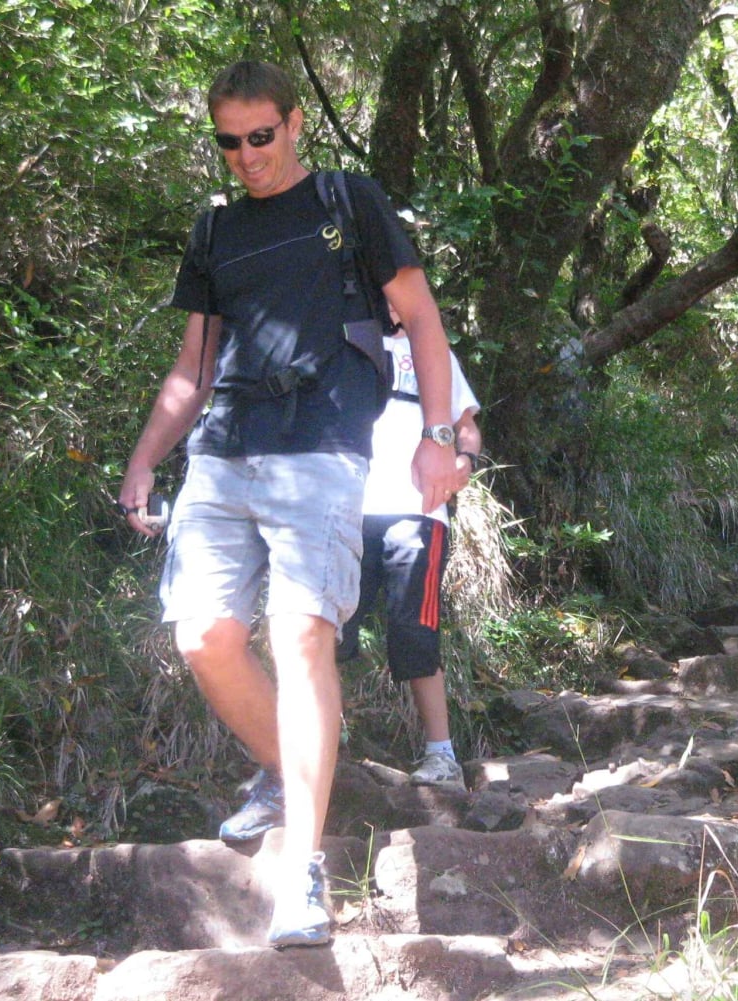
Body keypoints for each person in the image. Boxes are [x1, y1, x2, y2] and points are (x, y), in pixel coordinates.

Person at [116, 59, 457, 949]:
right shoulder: (215, 231)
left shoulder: (348, 201)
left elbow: (421, 318)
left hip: (322, 443)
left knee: (300, 633)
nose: (247, 156)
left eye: (261, 136)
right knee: (203, 635)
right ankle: (283, 764)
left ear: (295, 124)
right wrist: (145, 458)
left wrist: (439, 436)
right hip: (224, 450)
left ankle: (301, 869)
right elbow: (191, 368)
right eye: (229, 142)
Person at [337, 314, 481, 789]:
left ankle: (442, 756)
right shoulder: (342, 337)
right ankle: (324, 746)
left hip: (418, 509)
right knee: (327, 630)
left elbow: (466, 425)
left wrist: (465, 460)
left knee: (416, 630)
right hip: (344, 506)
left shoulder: (434, 350)